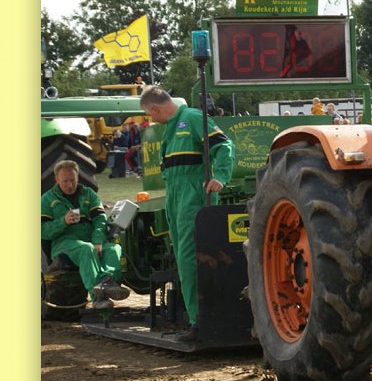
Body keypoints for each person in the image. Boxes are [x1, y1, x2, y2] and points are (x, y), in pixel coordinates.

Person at [139, 85, 235, 341]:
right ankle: (196, 318)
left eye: (150, 115)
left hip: (192, 194)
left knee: (190, 257)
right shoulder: (171, 129)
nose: (152, 120)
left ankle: (199, 323)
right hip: (175, 195)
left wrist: (220, 177)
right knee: (183, 257)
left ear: (155, 109)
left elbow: (224, 146)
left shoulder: (192, 118)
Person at [41, 160, 128, 308]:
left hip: (90, 241)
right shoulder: (47, 199)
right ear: (56, 179)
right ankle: (98, 298)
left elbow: (100, 219)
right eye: (65, 181)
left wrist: (98, 240)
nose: (70, 185)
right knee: (86, 250)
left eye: (73, 180)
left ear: (78, 177)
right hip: (64, 244)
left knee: (114, 249)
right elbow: (42, 230)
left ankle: (108, 282)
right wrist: (63, 221)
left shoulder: (89, 194)